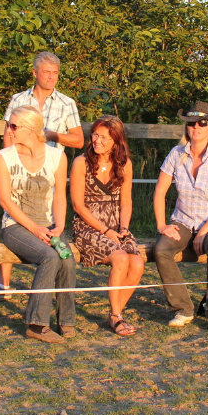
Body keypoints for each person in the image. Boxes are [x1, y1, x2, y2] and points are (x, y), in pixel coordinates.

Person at [0, 51, 84, 301]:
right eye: (47, 72)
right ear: (35, 73)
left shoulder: (67, 103)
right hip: (19, 167)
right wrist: (9, 160)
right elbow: (8, 133)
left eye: (55, 73)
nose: (52, 77)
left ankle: (52, 286)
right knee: (12, 215)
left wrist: (52, 136)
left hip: (49, 170)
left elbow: (78, 140)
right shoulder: (18, 99)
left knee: (47, 225)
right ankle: (3, 284)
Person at [153, 101, 208, 333]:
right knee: (161, 249)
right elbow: (159, 192)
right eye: (191, 123)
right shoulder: (176, 153)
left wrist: (205, 231)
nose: (196, 127)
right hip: (183, 219)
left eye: (202, 123)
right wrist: (161, 225)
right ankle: (183, 308)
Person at [0, 105, 76, 343]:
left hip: (48, 223)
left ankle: (66, 321)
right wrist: (34, 228)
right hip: (15, 226)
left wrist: (59, 226)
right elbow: (4, 200)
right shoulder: (4, 157)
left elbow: (60, 195)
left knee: (67, 259)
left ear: (30, 129)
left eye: (13, 126)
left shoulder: (57, 156)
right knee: (49, 257)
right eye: (9, 125)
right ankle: (36, 324)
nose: (9, 130)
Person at [71, 115, 144, 336]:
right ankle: (117, 317)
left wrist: (123, 228)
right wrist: (105, 231)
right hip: (88, 226)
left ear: (116, 141)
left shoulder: (125, 164)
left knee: (137, 263)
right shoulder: (81, 163)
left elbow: (126, 202)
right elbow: (77, 205)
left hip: (116, 224)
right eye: (95, 135)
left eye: (104, 137)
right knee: (120, 258)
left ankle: (115, 313)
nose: (97, 140)